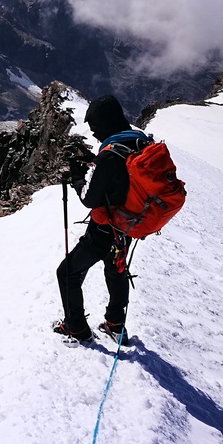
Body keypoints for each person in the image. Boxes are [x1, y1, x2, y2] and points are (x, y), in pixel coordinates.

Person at [53, 94, 143, 344]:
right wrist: (95, 162)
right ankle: (115, 324)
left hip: (104, 229)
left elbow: (89, 199)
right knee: (117, 270)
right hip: (127, 225)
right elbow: (120, 177)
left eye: (95, 128)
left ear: (105, 123)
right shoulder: (136, 142)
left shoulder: (109, 156)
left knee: (67, 272)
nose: (93, 134)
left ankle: (77, 328)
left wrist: (78, 178)